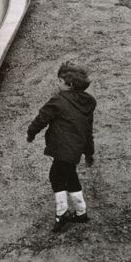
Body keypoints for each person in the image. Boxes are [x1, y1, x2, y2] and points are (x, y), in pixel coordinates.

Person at [26, 61, 96, 233]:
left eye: (59, 81)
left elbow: (42, 118)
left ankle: (62, 214)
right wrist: (89, 152)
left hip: (61, 148)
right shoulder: (87, 104)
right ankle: (80, 212)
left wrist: (31, 132)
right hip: (75, 149)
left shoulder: (58, 101)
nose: (57, 84)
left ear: (69, 84)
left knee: (56, 176)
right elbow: (88, 130)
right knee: (68, 176)